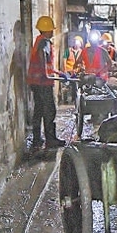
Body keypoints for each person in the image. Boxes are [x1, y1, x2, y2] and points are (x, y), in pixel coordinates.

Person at [26, 15, 66, 150]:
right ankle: (51, 139)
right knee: (49, 111)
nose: (53, 31)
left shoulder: (38, 41)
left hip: (35, 82)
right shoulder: (44, 43)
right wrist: (46, 74)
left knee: (38, 110)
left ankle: (37, 139)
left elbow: (48, 65)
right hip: (43, 82)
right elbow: (43, 58)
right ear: (47, 30)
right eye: (51, 29)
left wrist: (59, 73)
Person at [62, 35, 85, 103]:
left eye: (78, 42)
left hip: (76, 72)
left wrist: (81, 69)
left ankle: (74, 99)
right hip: (68, 71)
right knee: (66, 84)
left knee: (75, 85)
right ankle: (65, 99)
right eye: (75, 42)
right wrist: (65, 70)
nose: (76, 44)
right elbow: (64, 60)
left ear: (80, 44)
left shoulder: (82, 52)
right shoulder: (68, 51)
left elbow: (83, 62)